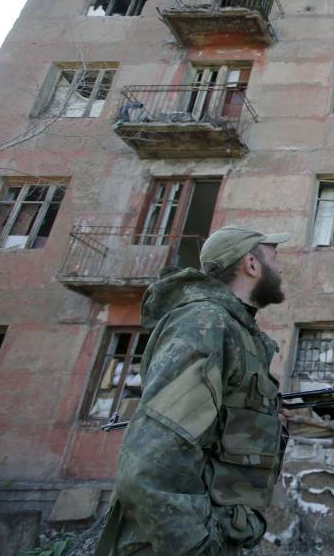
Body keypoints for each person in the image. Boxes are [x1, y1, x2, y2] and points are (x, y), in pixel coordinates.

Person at [95, 225, 290, 556]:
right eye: (275, 258)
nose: (281, 268)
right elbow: (148, 467)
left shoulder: (234, 329)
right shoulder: (204, 323)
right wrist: (199, 546)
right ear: (251, 264)